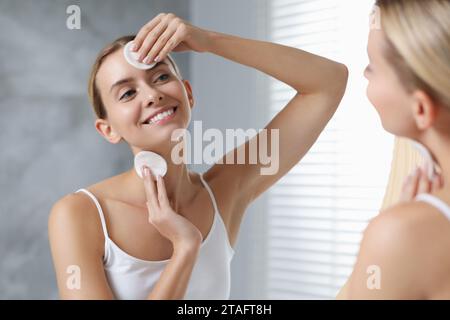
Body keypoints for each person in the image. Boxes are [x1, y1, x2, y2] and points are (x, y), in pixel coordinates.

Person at [48, 13, 348, 299]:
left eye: (161, 76)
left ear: (188, 94)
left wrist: (210, 41)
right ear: (108, 129)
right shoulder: (80, 214)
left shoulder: (226, 190)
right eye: (127, 93)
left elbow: (327, 83)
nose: (152, 95)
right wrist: (185, 248)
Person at [338, 0, 450, 299]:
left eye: (372, 66)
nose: (363, 73)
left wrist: (399, 232)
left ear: (421, 108)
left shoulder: (399, 236)